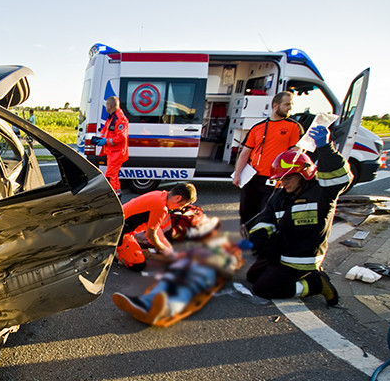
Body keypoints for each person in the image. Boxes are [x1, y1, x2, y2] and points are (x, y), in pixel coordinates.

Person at [244, 125, 352, 306]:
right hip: (283, 253)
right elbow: (267, 217)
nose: (283, 182)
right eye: (281, 179)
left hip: (303, 258)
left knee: (263, 289)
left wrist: (325, 148)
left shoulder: (322, 192)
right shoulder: (281, 195)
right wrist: (257, 236)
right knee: (252, 276)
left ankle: (316, 284)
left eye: (287, 178)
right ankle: (291, 275)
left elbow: (341, 178)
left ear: (303, 174)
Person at [113, 238, 241, 325]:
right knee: (162, 287)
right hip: (177, 272)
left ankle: (164, 310)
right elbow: (174, 259)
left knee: (182, 292)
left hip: (198, 277)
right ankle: (142, 304)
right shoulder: (198, 251)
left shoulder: (228, 258)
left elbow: (228, 274)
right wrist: (153, 256)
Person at [232, 91, 303, 228]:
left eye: (292, 104)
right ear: (275, 105)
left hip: (274, 180)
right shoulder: (258, 127)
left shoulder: (294, 127)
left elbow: (296, 152)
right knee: (246, 212)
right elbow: (245, 152)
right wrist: (237, 174)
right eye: (287, 104)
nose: (290, 108)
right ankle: (247, 240)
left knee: (266, 213)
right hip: (252, 178)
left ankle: (261, 242)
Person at [116, 183, 197, 271]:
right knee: (138, 265)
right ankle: (115, 253)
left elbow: (157, 231)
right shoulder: (161, 208)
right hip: (119, 232)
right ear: (178, 198)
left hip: (119, 223)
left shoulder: (160, 195)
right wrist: (164, 250)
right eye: (182, 205)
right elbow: (151, 235)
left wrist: (169, 251)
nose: (180, 208)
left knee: (139, 252)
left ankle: (120, 250)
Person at [89, 96, 128, 194]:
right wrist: (101, 138)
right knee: (113, 175)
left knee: (110, 175)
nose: (105, 107)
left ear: (110, 106)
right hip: (113, 152)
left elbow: (121, 137)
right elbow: (105, 130)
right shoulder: (112, 117)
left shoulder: (119, 119)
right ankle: (117, 193)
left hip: (117, 152)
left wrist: (106, 141)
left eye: (106, 105)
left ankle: (111, 195)